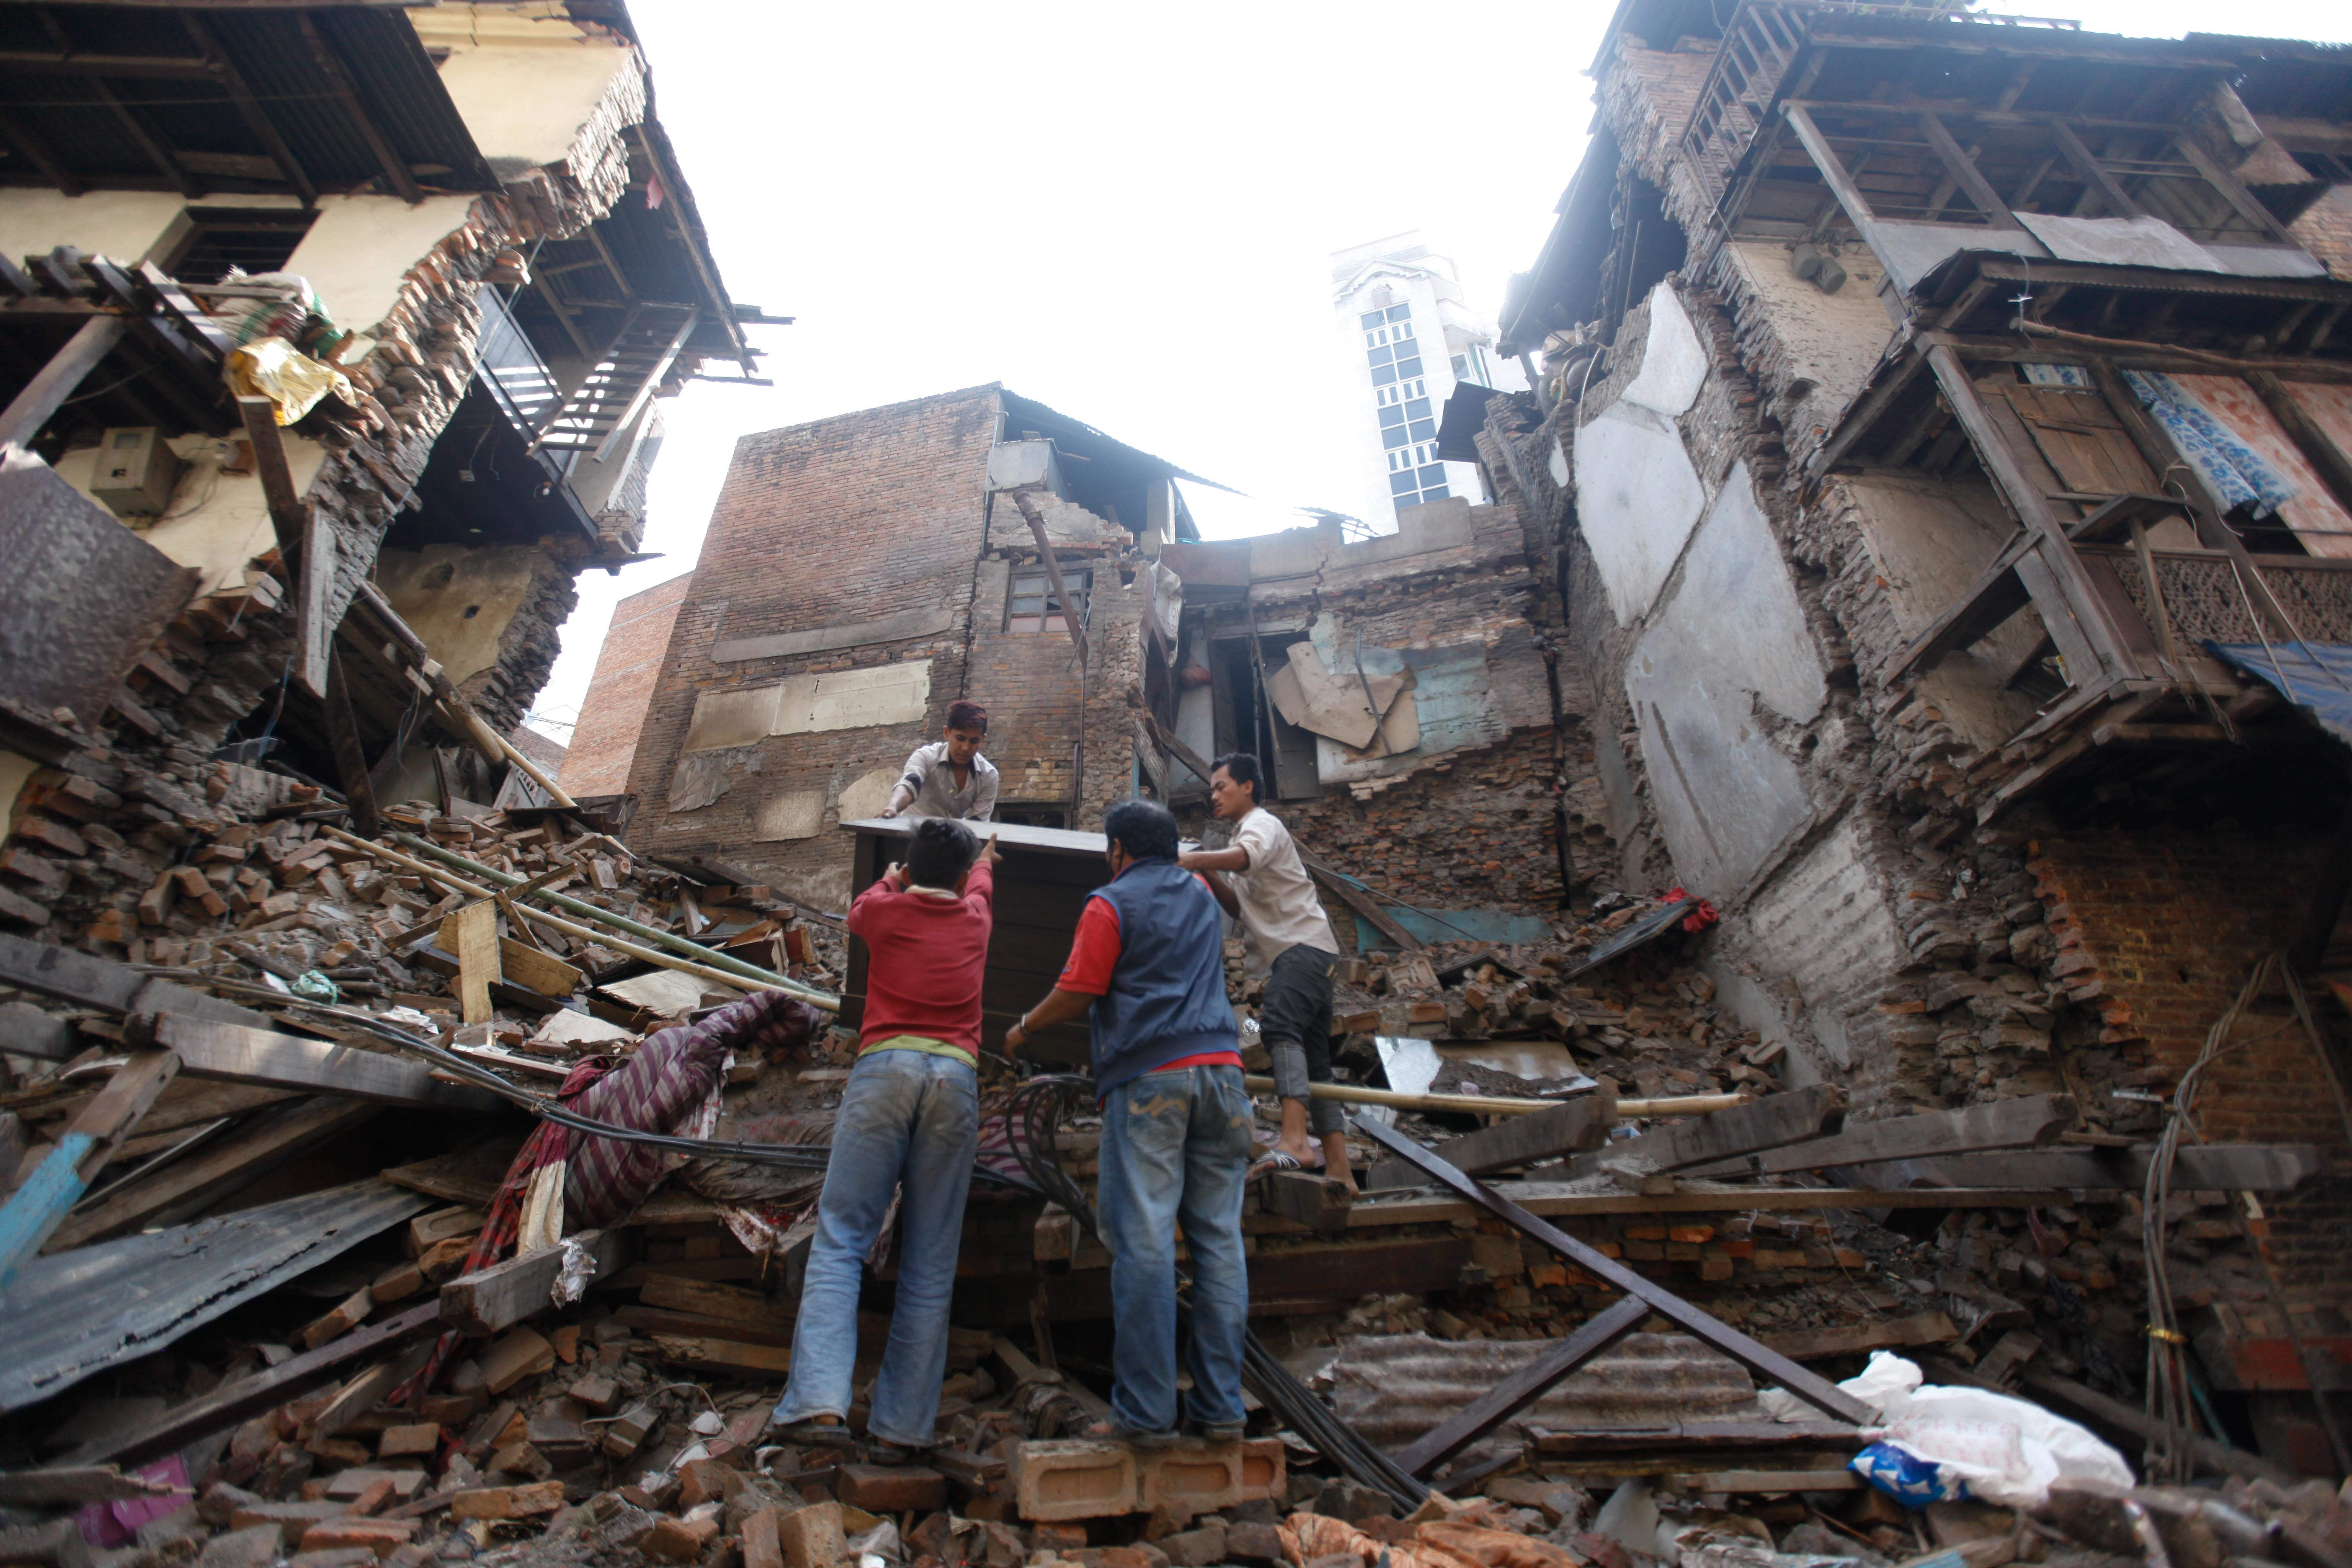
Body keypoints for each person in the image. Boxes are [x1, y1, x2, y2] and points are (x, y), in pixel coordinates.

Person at [1006, 799, 1250, 1444]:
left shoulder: (1108, 903)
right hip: (1223, 1078)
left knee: (1143, 1246)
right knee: (1220, 1243)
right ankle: (1222, 1410)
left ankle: (1145, 1415)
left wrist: (1023, 1028)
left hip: (1150, 1084)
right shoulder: (1200, 893)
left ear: (1116, 850)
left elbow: (1082, 988)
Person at [771, 817, 998, 1460]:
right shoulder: (977, 918)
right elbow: (980, 880)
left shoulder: (885, 914)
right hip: (955, 1080)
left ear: (909, 869)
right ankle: (902, 1427)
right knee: (930, 1259)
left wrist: (900, 870)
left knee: (843, 1238)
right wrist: (983, 859)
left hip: (883, 1072)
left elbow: (863, 906)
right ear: (960, 877)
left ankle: (817, 1405)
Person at [1175, 753, 1351, 1191]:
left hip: (1300, 950)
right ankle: (1340, 1170)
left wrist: (1193, 862)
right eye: (1212, 789)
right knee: (1317, 1064)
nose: (1214, 795)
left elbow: (1245, 860)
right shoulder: (1244, 836)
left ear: (1248, 786)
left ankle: (1295, 1141)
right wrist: (1204, 868)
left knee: (1277, 1028)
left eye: (1221, 786)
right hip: (1314, 955)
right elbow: (1238, 906)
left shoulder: (1262, 825)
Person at [882, 700, 998, 821]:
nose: (965, 748)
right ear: (947, 733)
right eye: (960, 738)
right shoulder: (926, 756)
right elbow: (909, 784)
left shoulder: (989, 776)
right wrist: (893, 806)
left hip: (954, 838)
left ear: (983, 740)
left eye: (974, 742)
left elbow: (979, 822)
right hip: (912, 834)